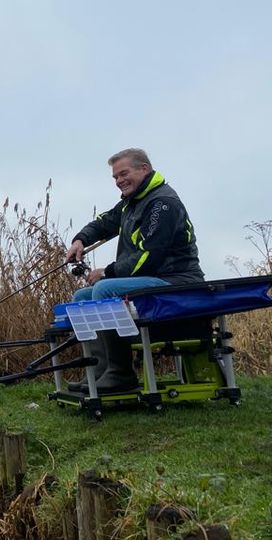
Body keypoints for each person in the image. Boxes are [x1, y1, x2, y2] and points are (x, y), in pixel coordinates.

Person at [65, 148, 205, 393]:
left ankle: (120, 374)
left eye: (124, 174)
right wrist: (80, 240)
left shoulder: (162, 204)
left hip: (176, 281)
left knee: (105, 290)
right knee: (81, 298)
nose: (119, 181)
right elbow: (106, 221)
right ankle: (99, 372)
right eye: (115, 177)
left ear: (144, 169)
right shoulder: (133, 202)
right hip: (151, 280)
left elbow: (149, 256)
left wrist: (107, 272)